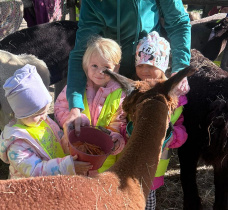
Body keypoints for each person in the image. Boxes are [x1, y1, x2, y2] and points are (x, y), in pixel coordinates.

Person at [64, 0, 191, 138]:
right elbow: (82, 49)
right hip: (111, 76)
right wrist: (75, 106)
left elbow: (178, 23)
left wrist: (180, 67)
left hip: (147, 72)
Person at [0, 64, 92, 179]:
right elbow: (34, 171)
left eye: (46, 111)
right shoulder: (17, 143)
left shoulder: (42, 121)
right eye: (38, 114)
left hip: (54, 180)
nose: (44, 116)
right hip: (31, 190)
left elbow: (57, 141)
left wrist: (68, 139)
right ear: (22, 114)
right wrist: (66, 166)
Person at [54, 37, 127, 173]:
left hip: (104, 160)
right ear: (86, 65)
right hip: (74, 151)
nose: (100, 72)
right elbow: (59, 107)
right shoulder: (77, 87)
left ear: (116, 68)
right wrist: (72, 120)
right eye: (94, 66)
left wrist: (115, 138)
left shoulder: (120, 93)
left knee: (99, 190)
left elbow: (120, 121)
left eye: (106, 67)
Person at [133, 31, 188, 209]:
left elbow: (180, 126)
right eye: (140, 65)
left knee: (148, 197)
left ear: (164, 65)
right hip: (132, 156)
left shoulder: (175, 95)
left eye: (151, 65)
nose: (145, 70)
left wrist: (172, 137)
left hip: (156, 161)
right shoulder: (134, 90)